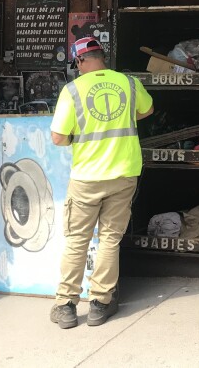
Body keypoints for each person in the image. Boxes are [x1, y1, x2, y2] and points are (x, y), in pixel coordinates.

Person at [49, 37, 153, 329]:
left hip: (86, 178)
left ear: (79, 61)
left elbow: (58, 137)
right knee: (110, 239)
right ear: (102, 56)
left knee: (77, 240)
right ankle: (100, 304)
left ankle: (66, 306)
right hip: (123, 174)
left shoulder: (73, 90)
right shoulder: (129, 84)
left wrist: (76, 137)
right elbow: (147, 110)